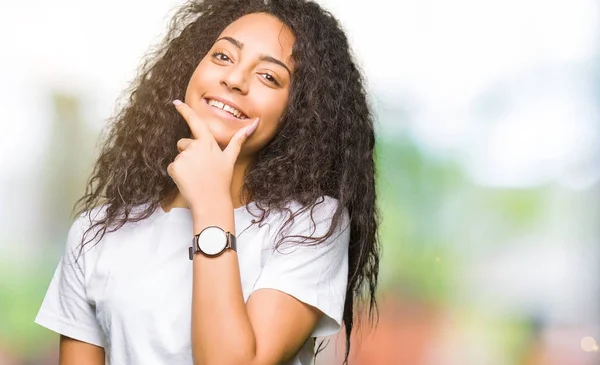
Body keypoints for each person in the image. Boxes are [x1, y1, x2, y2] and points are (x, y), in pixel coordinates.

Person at [35, 0, 380, 364]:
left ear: (299, 111)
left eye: (269, 77)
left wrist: (212, 206)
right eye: (223, 57)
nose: (234, 79)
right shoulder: (97, 234)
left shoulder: (310, 225)